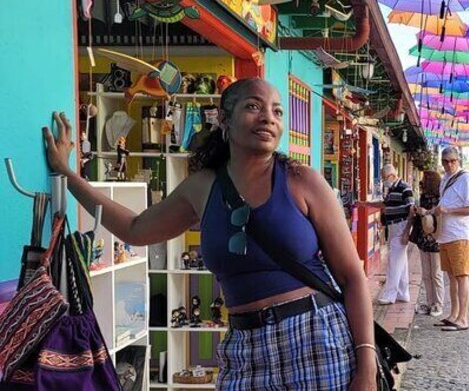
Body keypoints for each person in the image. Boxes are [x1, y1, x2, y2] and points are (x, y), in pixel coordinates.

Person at [42, 79, 378, 390]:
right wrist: (67, 174)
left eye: (276, 111)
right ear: (225, 120)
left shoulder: (301, 179)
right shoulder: (202, 188)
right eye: (253, 106)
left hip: (315, 336)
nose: (268, 118)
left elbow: (351, 277)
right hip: (244, 348)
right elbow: (136, 229)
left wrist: (366, 366)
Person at [426, 146, 469, 332]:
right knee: (451, 276)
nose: (449, 164)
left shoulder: (466, 178)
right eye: (446, 161)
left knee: (462, 276)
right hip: (446, 235)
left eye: (452, 160)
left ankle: (463, 318)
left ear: (458, 160)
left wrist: (448, 210)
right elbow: (443, 206)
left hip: (460, 234)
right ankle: (454, 314)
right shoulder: (445, 180)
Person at [407, 170, 444, 317]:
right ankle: (429, 303)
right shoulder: (423, 197)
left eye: (425, 179)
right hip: (423, 238)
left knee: (436, 274)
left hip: (435, 239)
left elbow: (440, 215)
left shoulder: (440, 198)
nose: (422, 181)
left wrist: (426, 212)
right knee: (427, 274)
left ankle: (438, 304)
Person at [376, 164, 414, 305]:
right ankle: (403, 293)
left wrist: (406, 232)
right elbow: (385, 205)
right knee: (400, 262)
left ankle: (389, 295)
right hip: (393, 227)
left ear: (391, 175)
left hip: (401, 226)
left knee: (394, 261)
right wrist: (365, 203)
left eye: (384, 178)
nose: (383, 181)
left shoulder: (405, 188)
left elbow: (412, 210)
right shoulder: (392, 189)